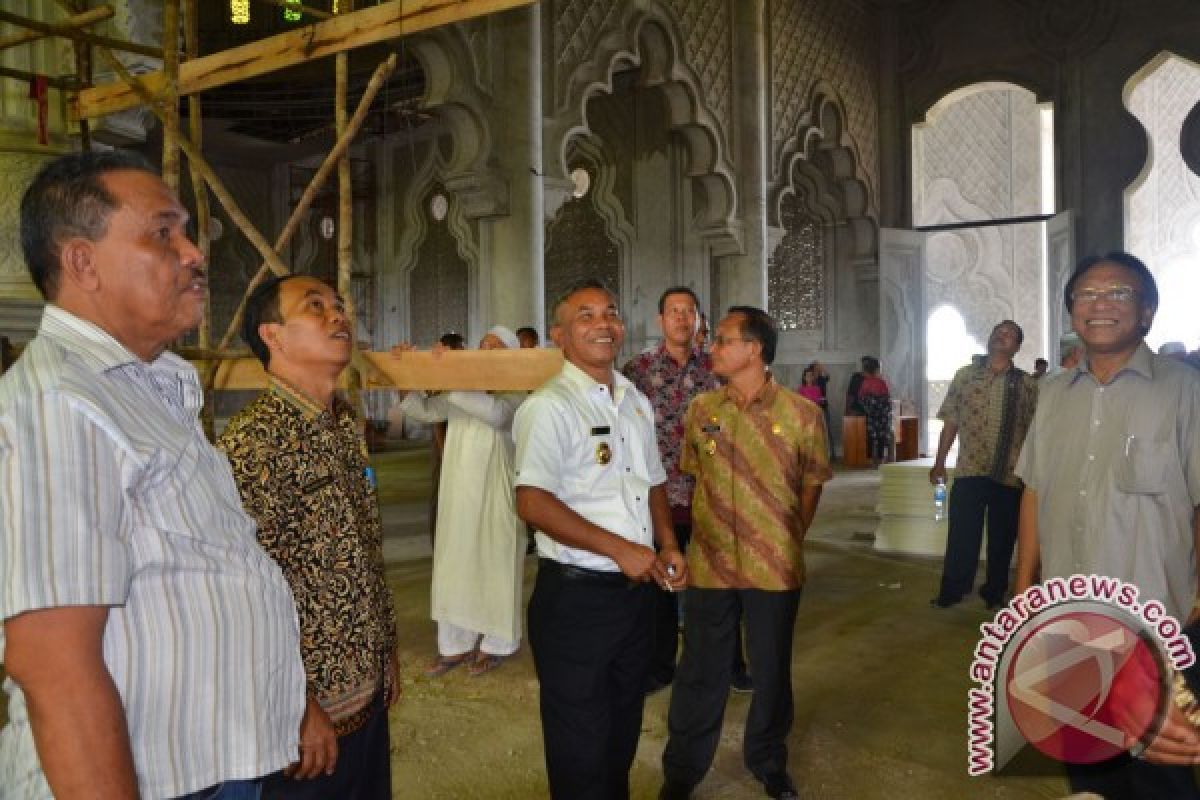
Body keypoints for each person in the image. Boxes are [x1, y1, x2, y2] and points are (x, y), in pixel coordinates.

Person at [0, 150, 304, 798]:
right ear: (82, 262)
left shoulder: (145, 388)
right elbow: (54, 663)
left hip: (202, 762)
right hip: (142, 777)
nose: (194, 252)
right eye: (163, 232)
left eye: (185, 231)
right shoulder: (60, 401)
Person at [1015, 252, 1200, 798]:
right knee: (1086, 755)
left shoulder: (1183, 390)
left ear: (1146, 311)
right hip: (1068, 620)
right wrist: (1024, 581)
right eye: (1086, 296)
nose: (1099, 305)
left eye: (1117, 293)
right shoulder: (1052, 395)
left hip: (1155, 619)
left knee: (1158, 769)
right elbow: (1036, 489)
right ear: (1072, 313)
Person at [217, 275, 400, 798]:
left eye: (339, 306)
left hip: (364, 695)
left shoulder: (341, 424)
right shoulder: (254, 443)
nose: (337, 315)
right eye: (314, 307)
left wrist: (383, 645)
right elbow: (243, 593)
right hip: (304, 721)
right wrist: (295, 704)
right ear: (273, 334)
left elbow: (362, 549)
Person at [514, 279, 687, 800]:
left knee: (619, 734)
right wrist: (619, 548)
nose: (603, 324)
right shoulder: (550, 405)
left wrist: (669, 544)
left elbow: (652, 481)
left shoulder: (633, 399)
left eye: (610, 312)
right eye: (585, 315)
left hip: (635, 597)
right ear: (559, 334)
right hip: (576, 602)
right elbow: (533, 502)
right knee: (580, 747)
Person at [660, 306, 832, 800]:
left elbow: (813, 484)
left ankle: (768, 763)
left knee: (771, 671)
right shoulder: (703, 411)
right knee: (699, 671)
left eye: (723, 341)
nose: (711, 348)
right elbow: (693, 473)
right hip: (710, 563)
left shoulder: (803, 415)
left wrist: (784, 535)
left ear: (753, 349)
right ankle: (683, 771)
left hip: (773, 566)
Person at [622, 287, 752, 695]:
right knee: (659, 585)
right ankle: (660, 665)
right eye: (674, 312)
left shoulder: (717, 370)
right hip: (659, 498)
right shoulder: (637, 371)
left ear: (698, 319)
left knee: (719, 585)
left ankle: (729, 663)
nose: (681, 318)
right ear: (660, 320)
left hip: (710, 496)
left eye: (689, 311)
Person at [396, 326, 527, 678]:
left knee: (495, 563)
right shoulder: (461, 388)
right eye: (483, 345)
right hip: (458, 491)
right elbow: (424, 411)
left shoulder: (517, 390)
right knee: (455, 563)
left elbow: (497, 415)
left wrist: (446, 375)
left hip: (497, 493)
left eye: (496, 347)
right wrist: (406, 376)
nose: (486, 351)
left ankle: (497, 643)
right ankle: (454, 645)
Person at [929, 320, 1038, 610]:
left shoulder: (1026, 385)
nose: (1003, 336)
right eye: (998, 331)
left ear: (1017, 347)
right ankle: (953, 588)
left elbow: (1034, 431)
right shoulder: (965, 377)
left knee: (1002, 540)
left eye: (1010, 334)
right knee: (962, 534)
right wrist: (939, 462)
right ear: (989, 338)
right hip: (969, 469)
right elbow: (951, 421)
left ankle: (994, 592)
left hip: (1010, 474)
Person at [856, 356, 891, 467]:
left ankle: (871, 460)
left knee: (870, 437)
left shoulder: (865, 382)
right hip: (882, 415)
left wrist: (870, 406)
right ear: (876, 370)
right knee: (881, 437)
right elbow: (886, 398)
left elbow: (861, 398)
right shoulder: (882, 382)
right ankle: (880, 459)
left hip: (871, 415)